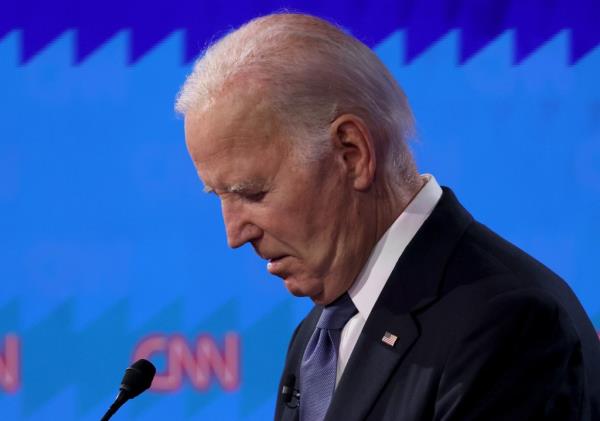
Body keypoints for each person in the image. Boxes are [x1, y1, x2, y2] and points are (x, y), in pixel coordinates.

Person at [175, 13, 600, 421]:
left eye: (252, 192)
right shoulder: (317, 335)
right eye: (218, 196)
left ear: (352, 154)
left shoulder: (509, 323)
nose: (234, 234)